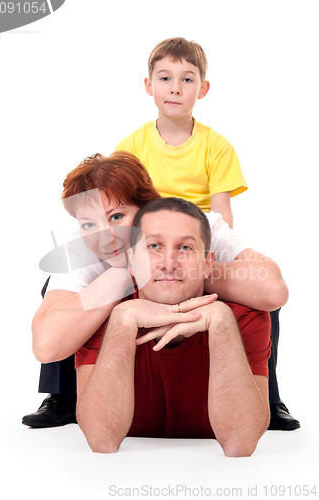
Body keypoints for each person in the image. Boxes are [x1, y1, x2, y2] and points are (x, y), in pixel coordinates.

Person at [23, 151, 289, 429]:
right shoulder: (79, 245)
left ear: (148, 205)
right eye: (89, 224)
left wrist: (181, 271)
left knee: (253, 299)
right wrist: (127, 273)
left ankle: (267, 397)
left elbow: (272, 290)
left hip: (197, 311)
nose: (105, 238)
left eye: (116, 217)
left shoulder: (197, 224)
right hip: (120, 331)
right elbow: (45, 345)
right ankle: (63, 397)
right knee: (61, 297)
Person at [115, 37, 299, 430]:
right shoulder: (131, 145)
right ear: (149, 85)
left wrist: (202, 258)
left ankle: (270, 395)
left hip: (199, 237)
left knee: (263, 297)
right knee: (61, 288)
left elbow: (221, 213)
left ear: (203, 88)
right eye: (165, 78)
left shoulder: (217, 146)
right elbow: (124, 208)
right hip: (148, 239)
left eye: (187, 79)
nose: (176, 88)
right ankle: (60, 396)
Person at [76, 197, 271, 456]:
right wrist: (123, 318)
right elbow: (102, 440)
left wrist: (222, 322)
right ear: (132, 262)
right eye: (154, 246)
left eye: (185, 248)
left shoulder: (244, 316)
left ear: (207, 263)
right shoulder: (101, 315)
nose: (169, 263)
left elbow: (241, 444)